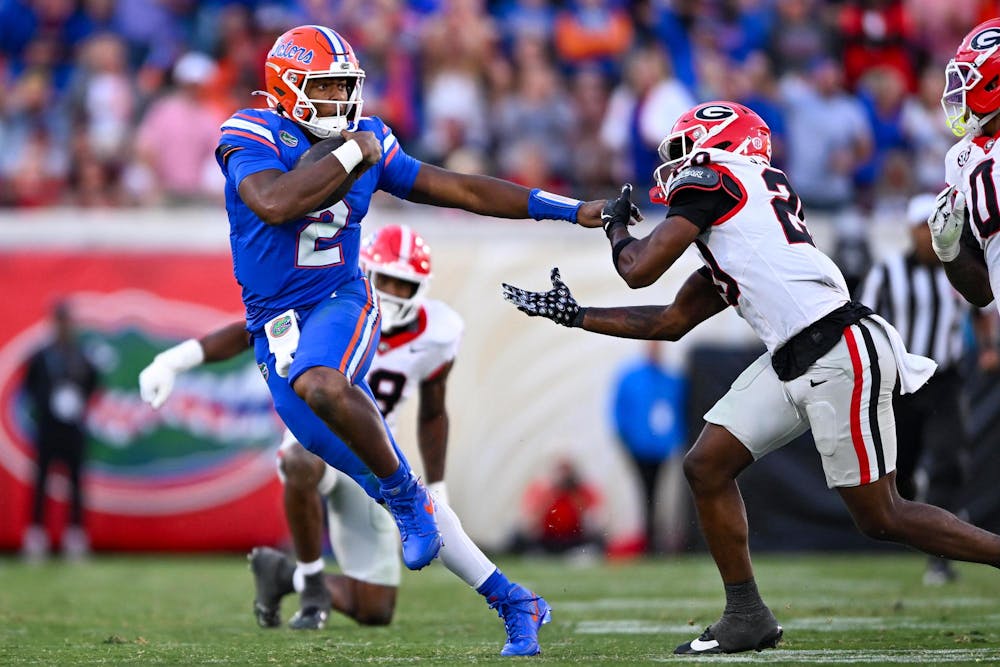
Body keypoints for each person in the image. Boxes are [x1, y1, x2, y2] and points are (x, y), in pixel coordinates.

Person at [503, 100, 1000, 655]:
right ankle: (746, 614)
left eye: (683, 148)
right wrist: (578, 315)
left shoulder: (715, 176)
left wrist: (615, 226)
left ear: (716, 143)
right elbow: (669, 322)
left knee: (883, 516)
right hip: (797, 353)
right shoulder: (741, 214)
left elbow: (638, 270)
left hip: (836, 346)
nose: (677, 165)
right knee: (706, 465)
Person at [205, 23, 616, 655]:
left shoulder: (371, 141)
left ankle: (405, 500)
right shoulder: (251, 133)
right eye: (329, 86)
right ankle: (515, 600)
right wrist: (351, 154)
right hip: (273, 328)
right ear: (286, 91)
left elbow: (462, 188)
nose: (344, 101)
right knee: (360, 460)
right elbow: (276, 203)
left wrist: (563, 209)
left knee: (326, 387)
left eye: (349, 86)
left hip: (339, 299)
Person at [139, 224, 548, 655]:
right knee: (300, 456)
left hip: (374, 448)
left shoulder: (438, 331)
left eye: (402, 284)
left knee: (376, 606)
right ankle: (314, 579)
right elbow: (248, 330)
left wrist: (440, 485)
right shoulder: (325, 299)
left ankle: (289, 577)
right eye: (383, 279)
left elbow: (432, 411)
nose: (390, 292)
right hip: (321, 437)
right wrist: (174, 360)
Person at [859, 193, 999, 585]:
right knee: (896, 473)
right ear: (910, 230)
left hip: (944, 379)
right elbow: (863, 320)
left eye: (933, 225)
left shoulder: (960, 273)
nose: (928, 234)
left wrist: (987, 350)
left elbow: (980, 312)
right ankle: (919, 494)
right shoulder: (885, 272)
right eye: (923, 226)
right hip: (899, 382)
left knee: (949, 460)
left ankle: (940, 558)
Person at [927, 19, 1000, 316]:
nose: (960, 92)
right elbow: (982, 293)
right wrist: (948, 250)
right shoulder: (961, 158)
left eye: (968, 79)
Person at [21, 301, 100, 561]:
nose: (63, 327)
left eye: (67, 322)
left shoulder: (81, 355)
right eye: (59, 321)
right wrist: (47, 403)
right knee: (41, 481)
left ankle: (75, 536)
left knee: (76, 483)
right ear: (53, 324)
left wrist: (78, 402)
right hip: (47, 427)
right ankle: (37, 535)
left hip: (73, 428)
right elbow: (29, 387)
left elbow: (94, 384)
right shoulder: (42, 356)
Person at [609, 340, 686, 554]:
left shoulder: (671, 379)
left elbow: (678, 412)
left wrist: (674, 440)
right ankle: (649, 539)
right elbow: (619, 410)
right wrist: (625, 438)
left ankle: (653, 538)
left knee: (656, 492)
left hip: (661, 449)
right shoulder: (631, 377)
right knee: (646, 491)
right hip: (638, 447)